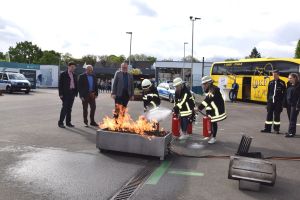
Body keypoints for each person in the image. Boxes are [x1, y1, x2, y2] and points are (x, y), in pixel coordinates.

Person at [197, 76, 227, 144]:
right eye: (203, 84)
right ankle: (209, 135)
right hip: (211, 109)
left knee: (214, 123)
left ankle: (214, 137)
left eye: (204, 84)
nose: (203, 85)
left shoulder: (213, 89)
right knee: (209, 123)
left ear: (208, 83)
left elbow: (207, 100)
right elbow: (208, 101)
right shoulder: (209, 89)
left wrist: (199, 108)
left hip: (216, 109)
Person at [261, 70, 286, 134]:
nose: (273, 76)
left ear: (278, 75)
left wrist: (282, 104)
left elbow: (284, 94)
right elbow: (268, 93)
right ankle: (267, 129)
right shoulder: (270, 82)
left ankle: (276, 129)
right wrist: (267, 102)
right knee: (269, 115)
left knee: (277, 116)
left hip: (278, 103)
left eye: (275, 75)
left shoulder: (282, 83)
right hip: (270, 102)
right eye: (273, 75)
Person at [58, 61, 78, 128]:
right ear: (68, 67)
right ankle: (60, 123)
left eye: (74, 67)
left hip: (72, 93)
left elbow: (76, 84)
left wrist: (76, 92)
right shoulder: (63, 74)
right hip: (65, 94)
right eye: (72, 67)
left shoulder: (74, 75)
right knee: (64, 108)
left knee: (69, 109)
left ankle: (68, 123)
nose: (73, 68)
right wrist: (60, 94)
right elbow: (60, 84)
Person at [283, 73, 300, 137]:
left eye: (290, 78)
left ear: (295, 78)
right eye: (288, 78)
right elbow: (286, 94)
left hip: (295, 105)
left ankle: (291, 133)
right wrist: (284, 103)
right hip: (288, 104)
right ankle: (292, 131)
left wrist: (298, 105)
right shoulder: (289, 84)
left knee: (293, 118)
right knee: (290, 118)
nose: (289, 79)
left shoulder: (298, 86)